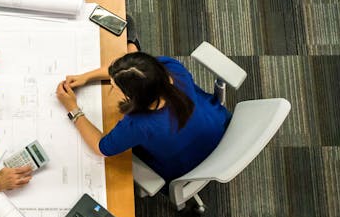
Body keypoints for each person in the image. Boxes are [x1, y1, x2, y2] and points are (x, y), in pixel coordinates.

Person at [54, 19, 230, 188]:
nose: (112, 87)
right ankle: (133, 46)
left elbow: (101, 147)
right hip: (219, 126)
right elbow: (130, 70)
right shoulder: (171, 68)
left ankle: (132, 45)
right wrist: (86, 77)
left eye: (115, 86)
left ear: (134, 97)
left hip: (187, 165)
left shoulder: (139, 125)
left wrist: (73, 108)